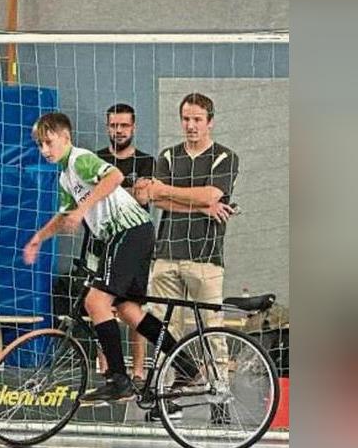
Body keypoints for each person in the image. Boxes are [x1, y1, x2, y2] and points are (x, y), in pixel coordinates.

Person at [23, 112, 206, 403]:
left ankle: (118, 378)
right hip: (133, 235)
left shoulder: (79, 159)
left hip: (128, 231)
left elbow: (116, 176)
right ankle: (186, 365)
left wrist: (83, 209)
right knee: (129, 311)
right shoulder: (64, 176)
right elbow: (64, 215)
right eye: (39, 145)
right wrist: (38, 238)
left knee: (94, 301)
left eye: (48, 142)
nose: (44, 150)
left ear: (65, 138)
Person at [133, 93, 238, 421]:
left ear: (210, 122)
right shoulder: (167, 155)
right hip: (166, 255)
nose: (191, 125)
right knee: (165, 330)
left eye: (197, 119)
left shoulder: (225, 158)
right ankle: (170, 397)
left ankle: (220, 397)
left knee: (212, 328)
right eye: (186, 119)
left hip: (205, 257)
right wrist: (200, 204)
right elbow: (155, 199)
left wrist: (170, 190)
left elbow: (211, 194)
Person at [94, 103, 156, 388]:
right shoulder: (97, 159)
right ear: (108, 127)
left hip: (133, 245)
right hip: (103, 243)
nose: (118, 131)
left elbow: (143, 199)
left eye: (124, 126)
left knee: (133, 306)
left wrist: (110, 193)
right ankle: (107, 366)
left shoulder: (146, 162)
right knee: (99, 304)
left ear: (134, 128)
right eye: (114, 126)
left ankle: (139, 370)